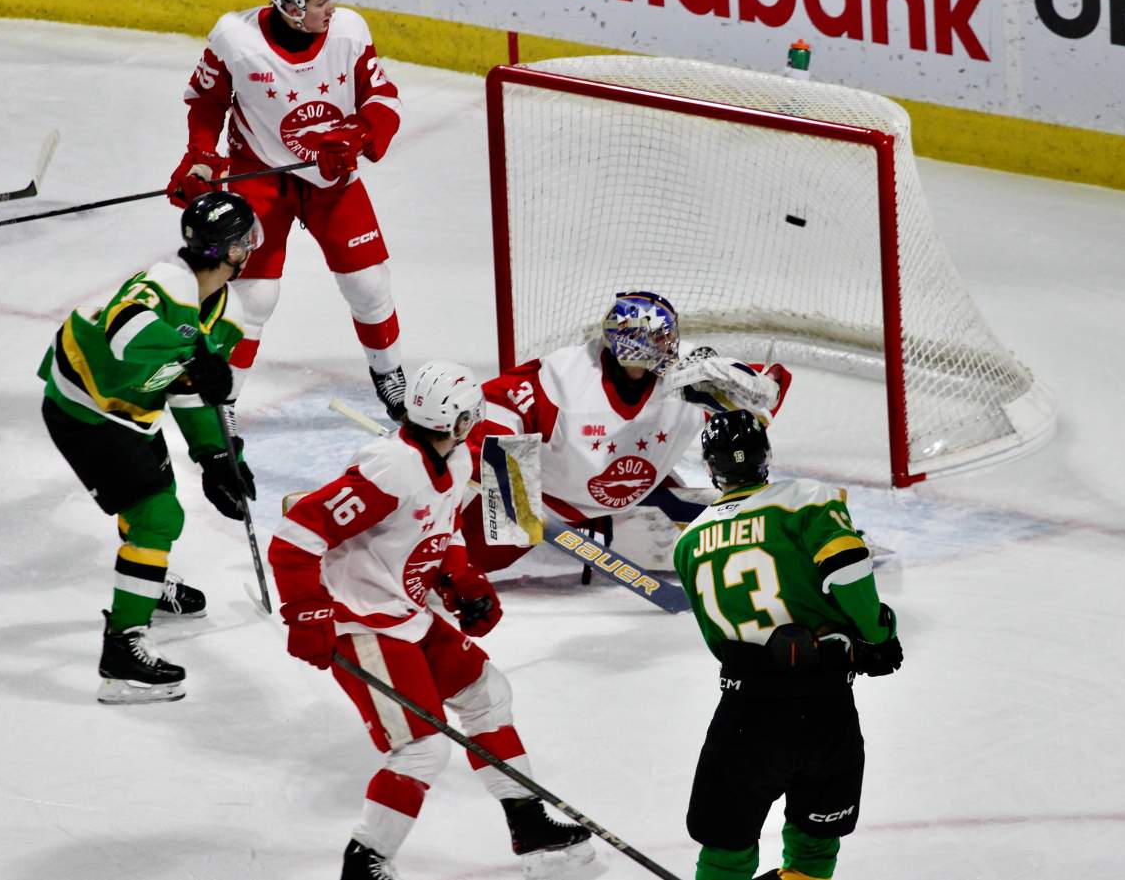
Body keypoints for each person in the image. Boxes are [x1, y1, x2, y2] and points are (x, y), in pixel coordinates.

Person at [268, 361, 595, 880]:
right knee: (421, 750)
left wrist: (461, 579)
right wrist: (307, 616)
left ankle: (527, 820)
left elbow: (444, 532)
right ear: (462, 420)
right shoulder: (392, 469)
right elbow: (295, 537)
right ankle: (366, 860)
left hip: (407, 613)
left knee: (487, 693)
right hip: (363, 622)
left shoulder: (457, 460)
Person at [38, 192, 262, 704]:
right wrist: (194, 354)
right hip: (84, 407)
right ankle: (122, 652)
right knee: (159, 516)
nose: (252, 247)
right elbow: (124, 333)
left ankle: (143, 578)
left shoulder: (231, 312)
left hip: (130, 411)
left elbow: (187, 388)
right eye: (245, 238)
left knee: (153, 509)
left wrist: (218, 456)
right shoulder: (166, 282)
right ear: (228, 250)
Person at [671, 409, 904, 880]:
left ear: (712, 468)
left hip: (745, 714)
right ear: (764, 457)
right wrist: (878, 635)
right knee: (816, 842)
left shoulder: (690, 540)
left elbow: (717, 640)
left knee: (725, 848)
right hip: (825, 705)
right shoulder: (807, 499)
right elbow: (849, 574)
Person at [169, 0, 407, 421]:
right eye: (320, 1)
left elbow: (383, 96)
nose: (331, 8)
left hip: (330, 175)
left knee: (369, 283)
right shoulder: (234, 38)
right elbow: (207, 102)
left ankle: (388, 371)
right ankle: (225, 400)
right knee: (254, 297)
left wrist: (358, 133)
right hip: (258, 174)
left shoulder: (349, 31)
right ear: (290, 7)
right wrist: (201, 160)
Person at [461, 290, 792, 573]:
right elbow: (493, 405)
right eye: (659, 337)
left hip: (642, 492)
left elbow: (766, 391)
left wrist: (758, 389)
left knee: (728, 552)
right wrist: (512, 485)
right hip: (551, 501)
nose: (670, 344)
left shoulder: (690, 371)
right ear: (629, 344)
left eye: (669, 334)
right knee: (476, 558)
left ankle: (620, 524)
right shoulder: (566, 377)